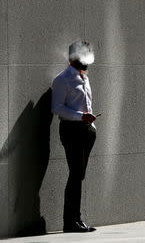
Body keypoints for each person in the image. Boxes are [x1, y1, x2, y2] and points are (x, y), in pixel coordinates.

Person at [51, 40, 97, 233]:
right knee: (76, 174)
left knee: (79, 175)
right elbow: (57, 107)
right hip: (71, 130)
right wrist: (81, 117)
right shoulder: (63, 79)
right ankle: (71, 221)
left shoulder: (84, 78)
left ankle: (76, 220)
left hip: (86, 131)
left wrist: (91, 125)